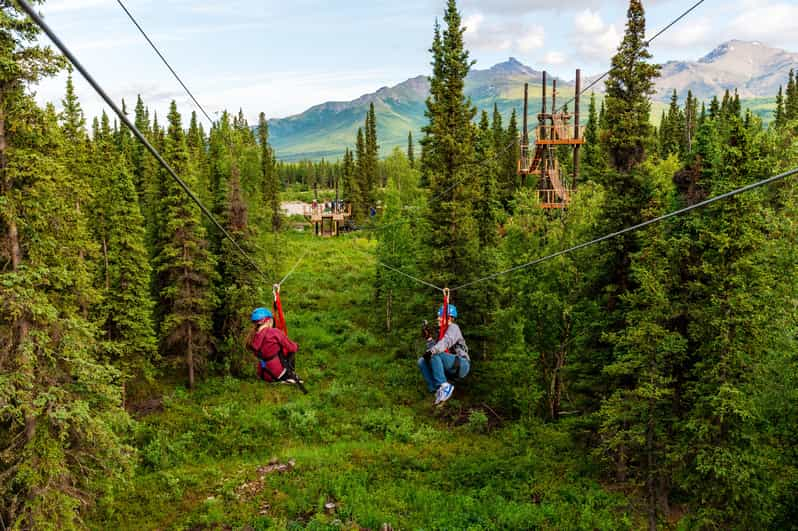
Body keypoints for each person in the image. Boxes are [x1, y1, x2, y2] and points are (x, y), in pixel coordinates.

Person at [418, 304, 470, 405]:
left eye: (440, 316)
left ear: (448, 317)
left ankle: (444, 386)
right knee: (422, 361)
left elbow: (446, 342)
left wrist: (432, 351)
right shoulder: (441, 333)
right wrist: (428, 338)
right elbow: (436, 352)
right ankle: (437, 389)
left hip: (461, 364)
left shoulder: (454, 328)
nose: (438, 318)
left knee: (432, 353)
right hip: (450, 366)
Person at [247, 307, 300, 383]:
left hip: (262, 373)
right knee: (290, 350)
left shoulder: (252, 335)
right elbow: (292, 348)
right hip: (275, 374)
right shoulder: (274, 332)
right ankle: (289, 375)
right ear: (268, 320)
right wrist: (296, 345)